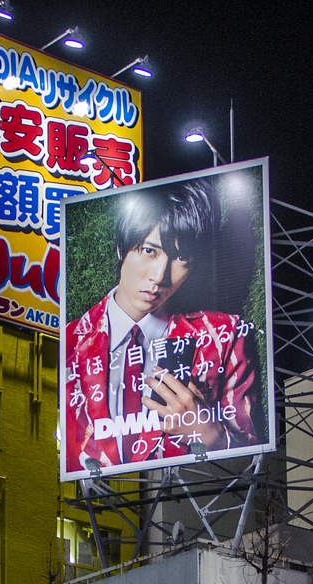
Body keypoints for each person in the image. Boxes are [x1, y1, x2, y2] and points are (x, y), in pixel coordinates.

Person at [61, 177, 261, 476]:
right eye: (149, 251)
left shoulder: (224, 335)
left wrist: (212, 435)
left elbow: (250, 457)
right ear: (121, 248)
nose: (159, 276)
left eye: (180, 257)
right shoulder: (68, 342)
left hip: (187, 508)